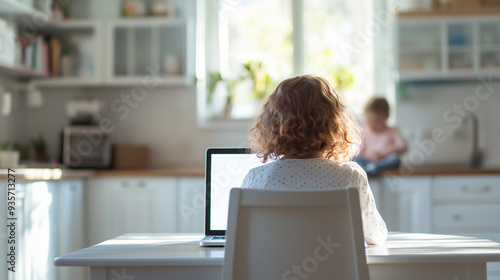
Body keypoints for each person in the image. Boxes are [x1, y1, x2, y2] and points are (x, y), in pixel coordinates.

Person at [241, 75, 387, 245]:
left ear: (271, 125)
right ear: (334, 125)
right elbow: (376, 236)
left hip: (271, 271)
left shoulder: (256, 178)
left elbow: (245, 237)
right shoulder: (351, 177)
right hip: (335, 271)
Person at [355, 96, 408, 176]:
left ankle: (374, 168)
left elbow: (403, 147)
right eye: (369, 120)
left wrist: (383, 154)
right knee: (354, 159)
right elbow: (359, 150)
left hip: (383, 161)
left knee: (395, 160)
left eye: (376, 120)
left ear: (386, 116)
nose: (372, 123)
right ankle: (364, 169)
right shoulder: (366, 131)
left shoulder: (392, 131)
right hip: (367, 160)